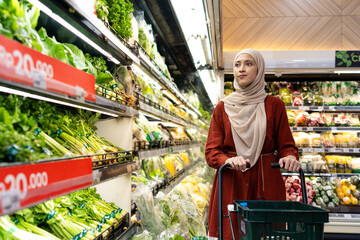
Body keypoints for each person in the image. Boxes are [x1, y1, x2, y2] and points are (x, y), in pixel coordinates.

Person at [205, 49, 300, 239]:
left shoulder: (274, 105)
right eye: (238, 64)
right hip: (233, 179)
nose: (242, 69)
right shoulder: (222, 107)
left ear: (259, 69)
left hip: (266, 180)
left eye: (249, 63)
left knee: (267, 233)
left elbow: (286, 145)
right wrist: (227, 160)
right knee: (231, 231)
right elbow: (211, 152)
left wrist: (289, 156)